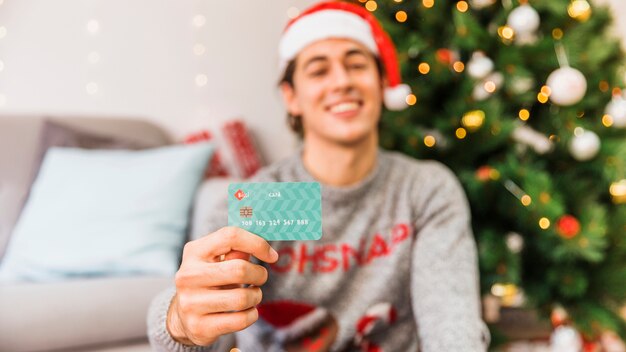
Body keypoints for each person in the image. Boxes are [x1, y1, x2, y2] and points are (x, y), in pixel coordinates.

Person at [148, 1, 488, 351]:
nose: (342, 81)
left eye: (356, 64)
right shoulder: (267, 199)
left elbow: (452, 327)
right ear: (291, 97)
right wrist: (181, 322)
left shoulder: (422, 190)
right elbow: (201, 329)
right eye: (318, 70)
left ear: (382, 82)